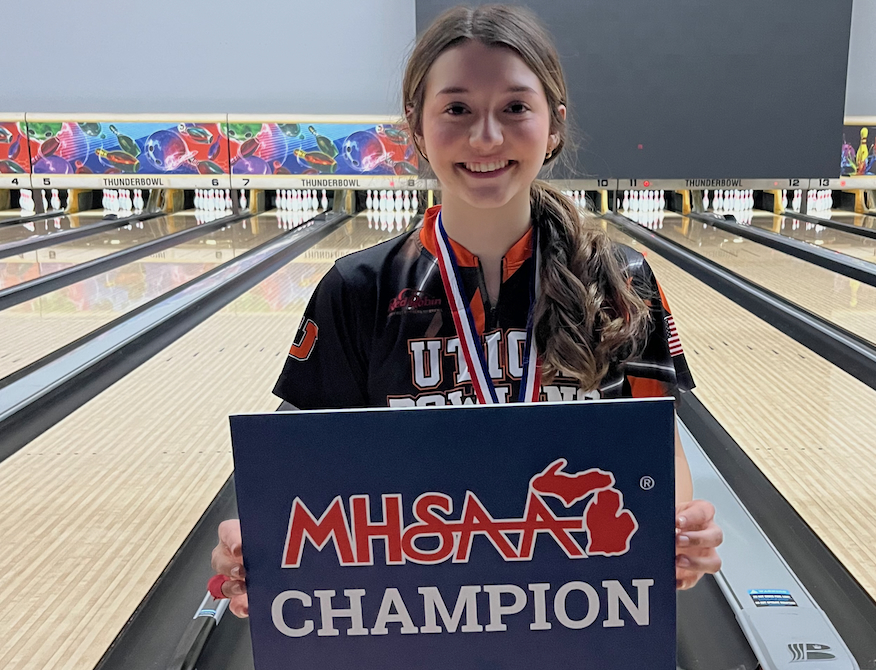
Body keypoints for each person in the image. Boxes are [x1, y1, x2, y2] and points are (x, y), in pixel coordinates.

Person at [212, 3, 722, 619]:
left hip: (574, 610)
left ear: (554, 124)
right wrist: (257, 548)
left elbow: (657, 449)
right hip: (414, 615)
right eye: (456, 108)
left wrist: (676, 533)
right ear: (416, 127)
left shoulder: (619, 281)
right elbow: (295, 469)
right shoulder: (359, 288)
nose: (486, 137)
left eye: (515, 108)